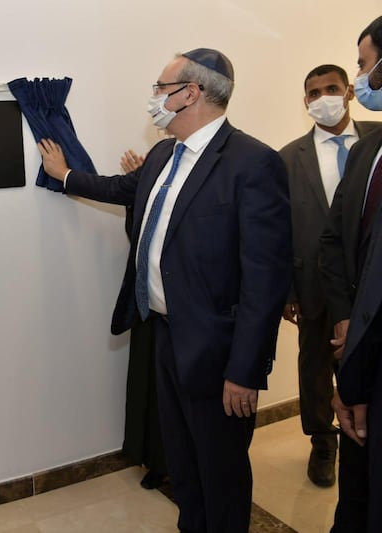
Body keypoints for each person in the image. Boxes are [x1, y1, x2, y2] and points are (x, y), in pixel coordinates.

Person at [38, 49, 291, 532]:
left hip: (219, 353)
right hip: (164, 334)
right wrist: (65, 175)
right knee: (183, 461)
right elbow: (122, 189)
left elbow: (266, 278)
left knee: (221, 471)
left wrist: (245, 370)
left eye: (160, 87)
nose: (153, 98)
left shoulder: (252, 163)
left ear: (189, 93)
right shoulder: (162, 153)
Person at [278, 64, 381, 489]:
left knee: (368, 363)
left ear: (349, 93)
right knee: (315, 367)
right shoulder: (287, 157)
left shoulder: (376, 141)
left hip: (371, 283)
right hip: (313, 287)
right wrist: (286, 290)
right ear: (305, 102)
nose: (323, 97)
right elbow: (278, 229)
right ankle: (323, 444)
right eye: (314, 92)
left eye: (332, 88)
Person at [321, 15, 382, 533]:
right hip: (357, 349)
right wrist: (344, 322)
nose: (361, 79)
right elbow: (334, 242)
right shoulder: (367, 151)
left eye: (364, 66)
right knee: (356, 494)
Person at [120, 150, 167, 490]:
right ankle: (158, 461)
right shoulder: (162, 156)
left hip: (187, 309)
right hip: (149, 302)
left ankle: (184, 470)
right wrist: (142, 191)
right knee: (151, 389)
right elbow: (139, 233)